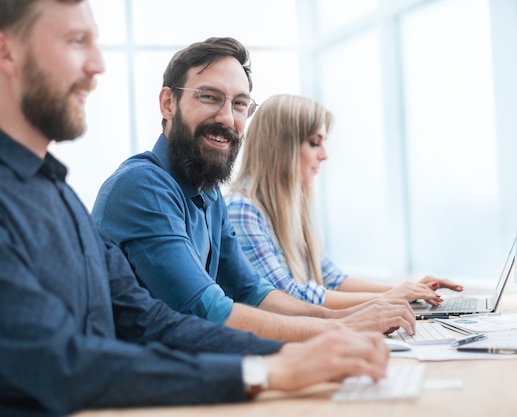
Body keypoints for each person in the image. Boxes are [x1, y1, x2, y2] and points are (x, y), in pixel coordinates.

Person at [0, 1, 389, 415]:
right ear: (7, 52)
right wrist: (265, 370)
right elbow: (66, 366)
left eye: (240, 104)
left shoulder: (58, 195)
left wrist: (289, 354)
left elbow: (151, 319)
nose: (98, 65)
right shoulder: (134, 187)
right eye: (77, 42)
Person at [91, 36, 417, 341]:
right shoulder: (142, 186)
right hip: (133, 386)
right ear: (168, 103)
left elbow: (253, 292)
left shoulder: (209, 193)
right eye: (209, 97)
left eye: (240, 104)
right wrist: (340, 326)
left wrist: (348, 315)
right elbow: (208, 311)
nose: (227, 118)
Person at [225, 94, 463, 310]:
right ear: (281, 147)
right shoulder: (242, 210)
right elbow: (288, 297)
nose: (325, 154)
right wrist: (392, 297)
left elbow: (334, 280)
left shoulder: (289, 212)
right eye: (314, 142)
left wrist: (409, 290)